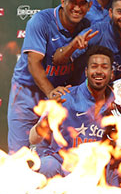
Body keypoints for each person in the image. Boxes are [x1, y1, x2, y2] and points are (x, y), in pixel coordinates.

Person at [7, 0, 92, 154]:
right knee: (20, 154)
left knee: (48, 155)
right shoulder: (41, 21)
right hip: (28, 94)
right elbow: (33, 62)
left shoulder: (86, 27)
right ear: (63, 1)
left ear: (89, 6)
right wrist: (50, 92)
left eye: (82, 3)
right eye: (73, 2)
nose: (77, 8)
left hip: (57, 95)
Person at [29, 45, 115, 178]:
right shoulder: (65, 98)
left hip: (95, 169)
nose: (99, 71)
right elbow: (33, 139)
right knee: (48, 165)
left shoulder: (119, 103)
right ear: (86, 72)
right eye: (94, 66)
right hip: (62, 165)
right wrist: (47, 119)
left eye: (104, 67)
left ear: (111, 73)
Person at [53, 0, 121, 82]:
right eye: (120, 12)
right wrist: (72, 47)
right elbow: (57, 60)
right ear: (111, 13)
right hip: (86, 92)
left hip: (117, 92)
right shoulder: (96, 32)